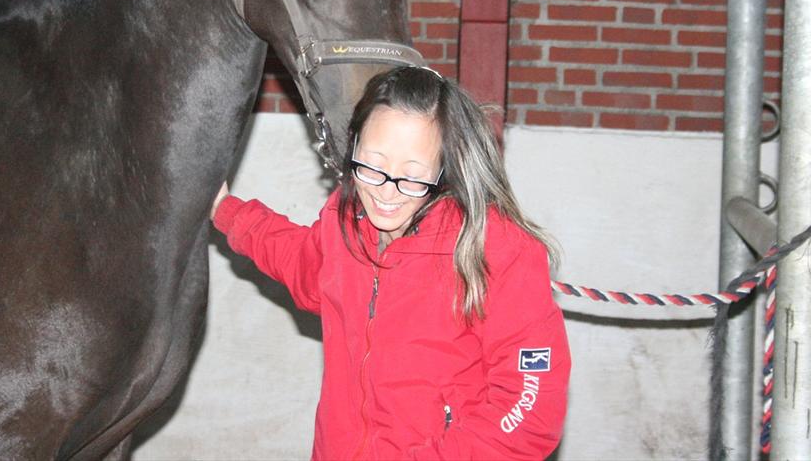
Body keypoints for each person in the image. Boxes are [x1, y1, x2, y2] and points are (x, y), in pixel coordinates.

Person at [212, 65, 570, 460]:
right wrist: (226, 211)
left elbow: (528, 410)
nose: (386, 192)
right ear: (352, 146)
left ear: (444, 169)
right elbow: (300, 260)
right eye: (372, 165)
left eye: (413, 176)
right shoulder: (344, 224)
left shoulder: (497, 249)